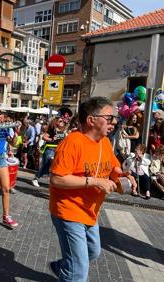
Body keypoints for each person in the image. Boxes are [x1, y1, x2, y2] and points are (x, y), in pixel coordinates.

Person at [49, 97, 136, 281]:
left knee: (93, 252)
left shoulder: (104, 142)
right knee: (79, 271)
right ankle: (69, 271)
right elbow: (57, 179)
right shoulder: (72, 143)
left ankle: (63, 267)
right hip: (69, 211)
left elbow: (113, 167)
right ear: (91, 120)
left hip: (91, 212)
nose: (114, 122)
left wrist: (124, 176)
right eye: (110, 118)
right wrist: (95, 181)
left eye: (115, 118)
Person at [32, 117, 67, 186]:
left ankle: (53, 181)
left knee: (55, 166)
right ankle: (36, 178)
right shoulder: (52, 129)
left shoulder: (63, 131)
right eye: (60, 121)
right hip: (50, 149)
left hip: (58, 150)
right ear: (56, 122)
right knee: (46, 165)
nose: (62, 122)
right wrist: (52, 139)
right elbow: (44, 137)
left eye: (62, 121)